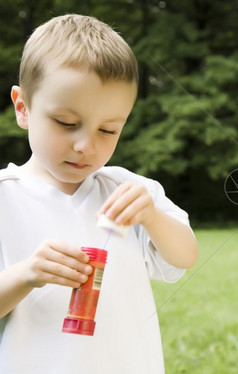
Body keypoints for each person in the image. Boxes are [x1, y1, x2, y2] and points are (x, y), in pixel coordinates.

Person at [0, 14, 198, 373]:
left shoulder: (128, 192)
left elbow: (184, 256)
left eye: (108, 130)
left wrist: (152, 216)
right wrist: (28, 273)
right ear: (23, 107)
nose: (85, 146)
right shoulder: (5, 201)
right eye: (66, 123)